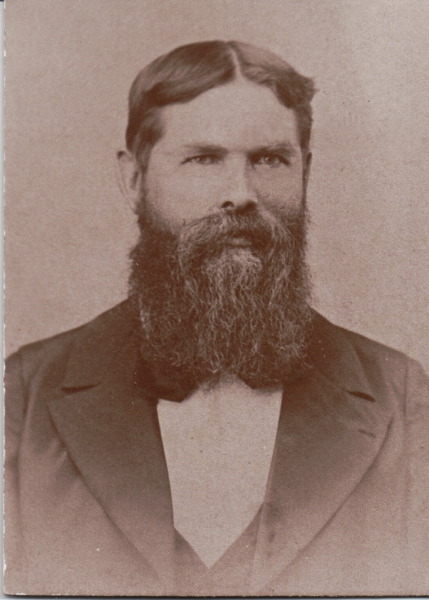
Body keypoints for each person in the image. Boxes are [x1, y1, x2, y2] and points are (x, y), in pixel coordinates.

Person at [4, 40, 429, 597]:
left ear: (306, 172)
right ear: (133, 180)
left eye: (270, 159)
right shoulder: (24, 395)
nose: (241, 194)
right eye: (203, 159)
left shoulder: (400, 398)